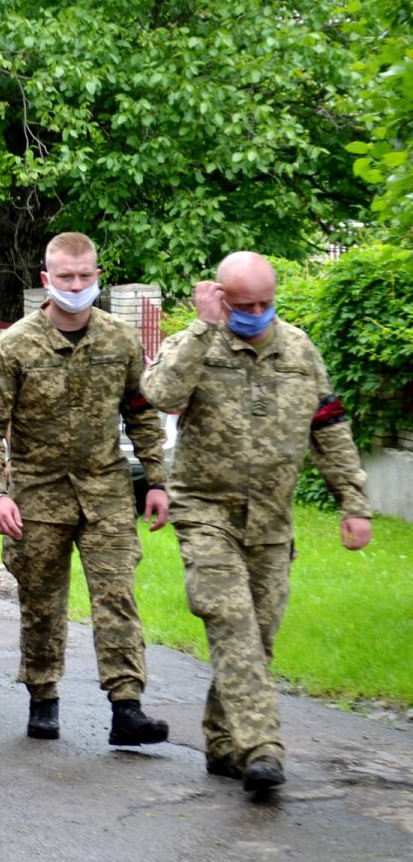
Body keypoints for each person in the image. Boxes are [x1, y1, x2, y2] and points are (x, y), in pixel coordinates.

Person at [143, 251, 372, 798]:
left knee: (258, 637)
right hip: (205, 512)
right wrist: (203, 327)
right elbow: (160, 395)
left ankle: (223, 743)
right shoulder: (195, 344)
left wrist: (354, 503)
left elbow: (330, 429)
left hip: (272, 520)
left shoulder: (299, 350)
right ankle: (263, 749)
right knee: (232, 621)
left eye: (265, 303)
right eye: (243, 304)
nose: (255, 313)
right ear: (220, 296)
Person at [0, 232, 171, 745]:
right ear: (46, 280)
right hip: (37, 494)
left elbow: (142, 415)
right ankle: (43, 697)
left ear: (97, 277)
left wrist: (157, 481)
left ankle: (127, 706)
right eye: (66, 277)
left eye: (85, 276)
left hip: (105, 489)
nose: (76, 286)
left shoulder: (121, 339)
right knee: (41, 599)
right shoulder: (14, 344)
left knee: (117, 596)